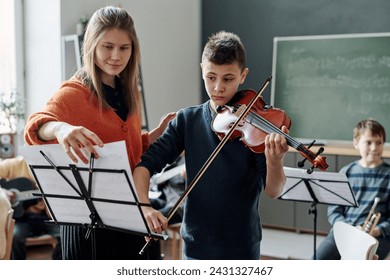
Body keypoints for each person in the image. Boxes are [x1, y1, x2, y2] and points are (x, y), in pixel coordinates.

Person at [23, 6, 175, 260]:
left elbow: (126, 151)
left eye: (124, 48)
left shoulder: (130, 91)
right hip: (86, 226)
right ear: (92, 45)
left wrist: (153, 136)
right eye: (108, 46)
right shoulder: (73, 93)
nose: (116, 56)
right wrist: (60, 128)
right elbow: (35, 127)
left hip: (126, 215)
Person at [133, 31, 289, 260]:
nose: (218, 88)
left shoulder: (258, 128)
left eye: (228, 79)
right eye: (211, 77)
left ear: (243, 75)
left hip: (242, 249)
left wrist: (275, 161)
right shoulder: (187, 120)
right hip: (196, 248)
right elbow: (145, 165)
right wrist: (144, 206)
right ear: (202, 71)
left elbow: (274, 190)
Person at [316, 119, 390, 260]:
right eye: (368, 142)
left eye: (379, 142)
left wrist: (377, 230)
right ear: (356, 143)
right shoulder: (346, 172)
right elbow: (334, 211)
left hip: (377, 235)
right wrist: (350, 229)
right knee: (318, 259)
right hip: (346, 231)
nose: (374, 148)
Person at [0, 157, 62, 259]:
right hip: (20, 219)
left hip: (46, 217)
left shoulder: (53, 167)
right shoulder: (15, 164)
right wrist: (2, 191)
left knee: (66, 234)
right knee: (14, 236)